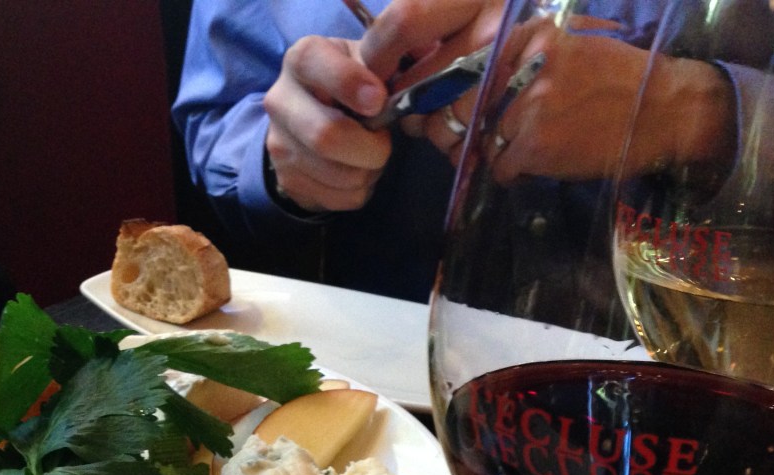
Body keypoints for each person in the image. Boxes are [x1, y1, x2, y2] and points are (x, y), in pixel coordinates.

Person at [172, 0, 670, 304]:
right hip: (374, 375)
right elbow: (215, 117)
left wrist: (687, 109)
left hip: (675, 359)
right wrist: (284, 158)